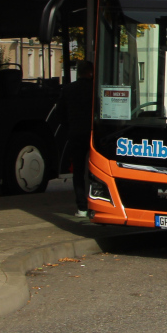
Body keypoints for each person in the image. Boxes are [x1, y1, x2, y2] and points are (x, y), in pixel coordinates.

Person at [65, 59, 94, 216]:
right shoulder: (94, 90)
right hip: (94, 134)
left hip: (75, 133)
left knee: (78, 171)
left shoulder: (69, 89)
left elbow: (60, 113)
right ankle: (96, 201)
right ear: (91, 72)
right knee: (94, 169)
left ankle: (81, 207)